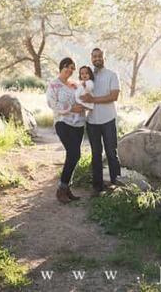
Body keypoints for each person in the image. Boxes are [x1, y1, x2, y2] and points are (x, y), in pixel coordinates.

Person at [82, 47, 123, 195]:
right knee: (96, 154)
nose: (97, 59)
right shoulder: (87, 77)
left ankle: (117, 186)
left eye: (100, 56)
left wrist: (93, 100)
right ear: (91, 58)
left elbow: (113, 96)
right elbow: (82, 95)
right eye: (94, 57)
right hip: (92, 121)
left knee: (112, 153)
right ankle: (97, 187)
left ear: (104, 58)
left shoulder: (113, 75)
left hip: (108, 119)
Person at [46, 57, 86, 204]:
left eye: (72, 68)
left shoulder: (74, 85)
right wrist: (70, 109)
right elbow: (51, 103)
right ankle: (61, 189)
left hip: (79, 124)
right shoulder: (54, 84)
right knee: (73, 153)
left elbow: (83, 96)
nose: (69, 70)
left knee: (75, 155)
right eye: (67, 67)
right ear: (61, 67)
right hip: (63, 123)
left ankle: (67, 186)